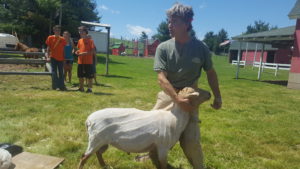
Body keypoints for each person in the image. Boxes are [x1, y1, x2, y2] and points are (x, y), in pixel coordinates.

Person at [152, 3, 222, 169]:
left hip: (190, 97)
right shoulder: (163, 47)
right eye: (169, 20)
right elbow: (161, 78)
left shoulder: (201, 48)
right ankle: (158, 162)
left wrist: (218, 96)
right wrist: (176, 99)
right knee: (152, 133)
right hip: (168, 96)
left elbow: (211, 73)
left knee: (190, 141)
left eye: (174, 21)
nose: (169, 25)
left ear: (187, 23)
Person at [45, 25, 67, 91]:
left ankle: (62, 86)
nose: (58, 31)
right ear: (54, 31)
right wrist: (48, 57)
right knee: (54, 72)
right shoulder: (50, 37)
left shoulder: (63, 39)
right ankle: (55, 86)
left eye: (59, 30)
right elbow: (48, 48)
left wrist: (65, 58)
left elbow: (64, 50)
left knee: (61, 72)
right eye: (56, 30)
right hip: (53, 57)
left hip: (61, 58)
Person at [76, 26, 96, 93]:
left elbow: (93, 51)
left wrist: (84, 53)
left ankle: (89, 89)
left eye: (81, 31)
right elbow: (79, 49)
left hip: (88, 62)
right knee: (80, 76)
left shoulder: (90, 41)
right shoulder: (79, 40)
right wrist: (77, 52)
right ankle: (81, 88)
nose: (80, 32)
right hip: (80, 61)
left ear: (85, 32)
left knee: (89, 76)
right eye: (79, 31)